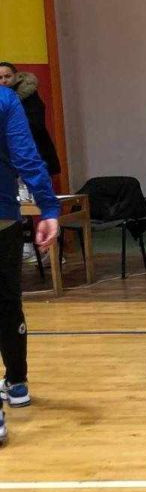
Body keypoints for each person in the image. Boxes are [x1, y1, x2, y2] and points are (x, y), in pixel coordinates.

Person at [1, 84, 60, 443]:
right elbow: (26, 156)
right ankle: (17, 382)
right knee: (7, 300)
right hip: (3, 217)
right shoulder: (5, 100)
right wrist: (47, 208)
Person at [0, 63, 61, 176]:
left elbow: (36, 124)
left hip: (33, 151)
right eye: (0, 78)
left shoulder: (29, 96)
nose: (4, 81)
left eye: (7, 76)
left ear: (16, 76)